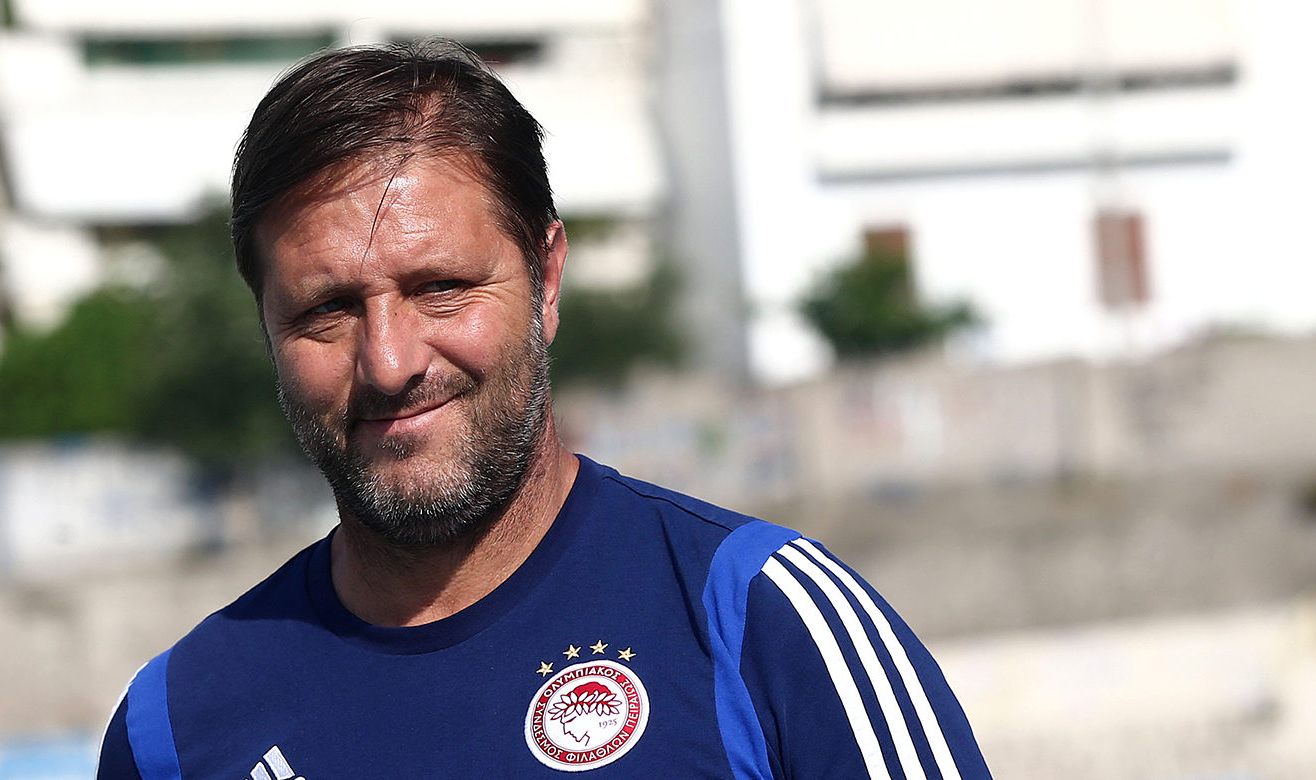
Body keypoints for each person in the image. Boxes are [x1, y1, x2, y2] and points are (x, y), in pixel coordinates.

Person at [97, 39, 993, 779]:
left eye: (441, 287)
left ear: (547, 278)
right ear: (265, 328)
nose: (390, 362)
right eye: (327, 310)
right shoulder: (172, 731)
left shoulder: (765, 620)